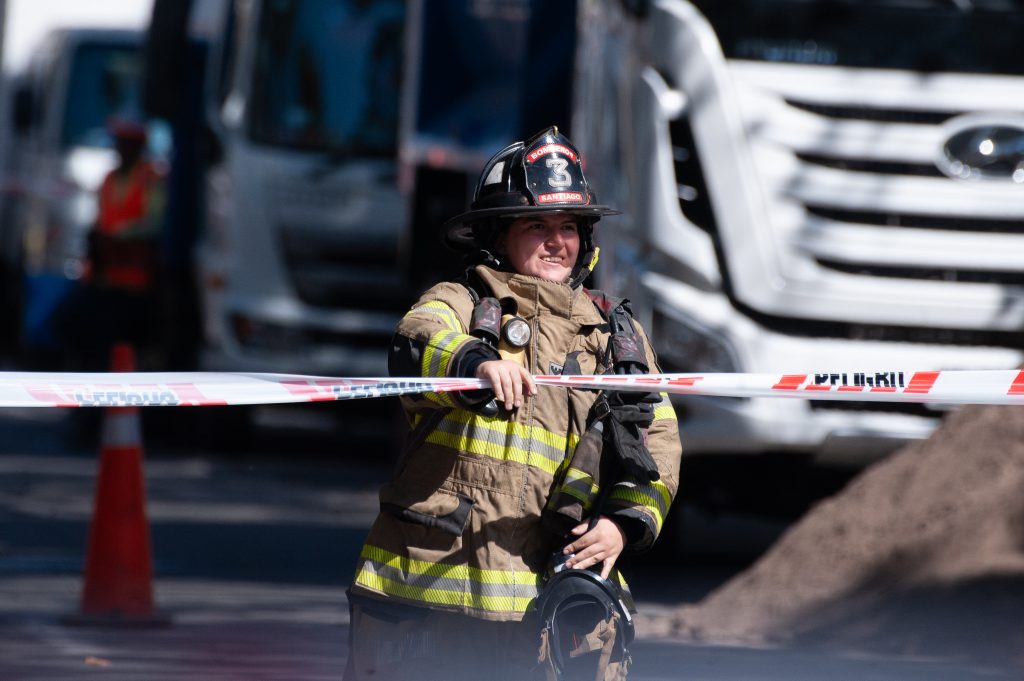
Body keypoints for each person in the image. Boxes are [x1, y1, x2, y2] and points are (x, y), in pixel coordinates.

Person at [345, 127, 682, 681]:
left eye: (568, 226)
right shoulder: (462, 302)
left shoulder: (617, 340)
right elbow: (417, 338)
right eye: (536, 226)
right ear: (500, 237)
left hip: (552, 612)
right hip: (430, 601)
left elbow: (659, 442)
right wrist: (476, 362)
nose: (556, 241)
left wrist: (622, 524)